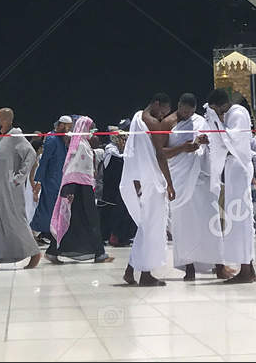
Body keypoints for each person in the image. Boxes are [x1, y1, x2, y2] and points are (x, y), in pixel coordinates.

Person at [121, 93, 175, 287]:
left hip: (139, 180)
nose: (162, 117)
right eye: (162, 112)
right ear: (156, 104)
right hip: (151, 183)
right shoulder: (151, 123)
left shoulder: (138, 117)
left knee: (145, 228)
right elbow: (160, 155)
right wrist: (169, 183)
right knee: (152, 229)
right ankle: (145, 274)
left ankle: (130, 270)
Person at [0, 109, 41, 271]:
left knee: (15, 221)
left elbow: (31, 154)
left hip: (11, 190)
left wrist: (19, 178)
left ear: (5, 120)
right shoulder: (4, 138)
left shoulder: (16, 136)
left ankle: (34, 253)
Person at [205, 88, 256, 284]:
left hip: (239, 167)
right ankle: (248, 269)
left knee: (240, 219)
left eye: (215, 110)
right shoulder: (231, 114)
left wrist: (216, 123)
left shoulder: (237, 114)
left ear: (221, 105)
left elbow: (231, 140)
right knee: (238, 219)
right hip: (234, 168)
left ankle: (245, 270)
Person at [48, 115, 114, 265]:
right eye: (90, 128)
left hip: (81, 187)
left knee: (74, 220)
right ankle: (99, 253)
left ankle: (54, 251)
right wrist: (69, 190)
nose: (92, 131)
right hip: (78, 188)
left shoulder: (83, 144)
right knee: (84, 219)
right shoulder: (81, 146)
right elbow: (74, 169)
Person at [167, 94, 216, 279]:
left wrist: (206, 142)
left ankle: (214, 264)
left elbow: (214, 145)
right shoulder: (169, 123)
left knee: (206, 222)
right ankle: (189, 267)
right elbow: (162, 153)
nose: (187, 115)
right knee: (183, 224)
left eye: (190, 111)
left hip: (200, 178)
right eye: (184, 110)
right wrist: (182, 149)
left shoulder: (200, 122)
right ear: (178, 106)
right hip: (180, 179)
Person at [31, 115, 72, 242]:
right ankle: (36, 231)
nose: (68, 129)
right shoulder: (52, 139)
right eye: (66, 127)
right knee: (47, 207)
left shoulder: (62, 140)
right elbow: (44, 161)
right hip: (50, 180)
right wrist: (38, 181)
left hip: (60, 180)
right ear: (60, 125)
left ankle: (49, 232)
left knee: (55, 207)